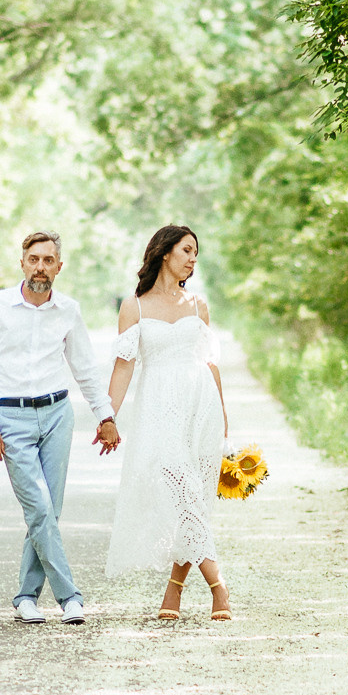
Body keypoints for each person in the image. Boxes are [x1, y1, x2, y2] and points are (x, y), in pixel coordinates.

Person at [0, 230, 121, 625]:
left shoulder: (68, 310)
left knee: (49, 511)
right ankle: (70, 596)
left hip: (57, 415)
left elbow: (85, 368)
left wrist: (105, 417)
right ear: (22, 262)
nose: (40, 267)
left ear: (59, 266)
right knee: (38, 507)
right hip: (11, 418)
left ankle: (26, 598)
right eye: (33, 259)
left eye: (48, 260)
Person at [103, 224, 232, 621]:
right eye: (187, 250)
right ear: (164, 253)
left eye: (196, 252)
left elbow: (211, 363)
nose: (194, 259)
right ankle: (219, 587)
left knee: (192, 499)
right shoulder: (135, 306)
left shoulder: (198, 305)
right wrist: (107, 416)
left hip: (201, 407)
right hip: (158, 408)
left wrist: (224, 421)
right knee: (181, 489)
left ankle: (172, 593)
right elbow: (124, 367)